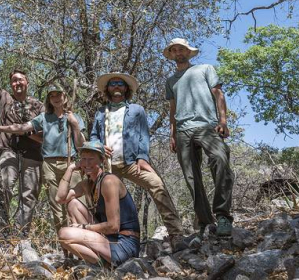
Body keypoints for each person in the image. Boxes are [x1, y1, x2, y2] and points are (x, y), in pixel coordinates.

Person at [90, 72, 184, 248]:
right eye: (112, 84)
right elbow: (94, 136)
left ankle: (176, 233)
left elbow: (143, 135)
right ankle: (104, 242)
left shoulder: (136, 110)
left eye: (120, 83)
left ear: (126, 88)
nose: (116, 86)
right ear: (107, 89)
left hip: (132, 163)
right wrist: (99, 147)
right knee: (100, 200)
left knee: (157, 185)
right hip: (108, 166)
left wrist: (142, 157)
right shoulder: (101, 112)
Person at [164, 38, 234, 238]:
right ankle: (205, 221)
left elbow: (218, 94)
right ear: (171, 54)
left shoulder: (205, 69)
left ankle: (223, 216)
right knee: (191, 177)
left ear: (188, 52)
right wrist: (172, 134)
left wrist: (223, 121)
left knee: (220, 159)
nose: (178, 52)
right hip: (183, 130)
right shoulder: (171, 81)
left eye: (182, 49)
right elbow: (173, 108)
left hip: (207, 125)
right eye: (174, 50)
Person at [0, 87, 85, 235]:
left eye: (59, 94)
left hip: (71, 163)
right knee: (57, 206)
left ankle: (83, 243)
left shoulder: (74, 117)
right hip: (49, 165)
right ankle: (66, 246)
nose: (56, 98)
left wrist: (74, 124)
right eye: (52, 95)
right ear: (49, 100)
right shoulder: (44, 117)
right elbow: (22, 128)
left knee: (76, 203)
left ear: (65, 97)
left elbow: (81, 145)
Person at [0, 35, 43, 234]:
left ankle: (21, 233)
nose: (17, 83)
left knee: (29, 195)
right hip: (8, 151)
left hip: (33, 155)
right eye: (13, 81)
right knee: (4, 185)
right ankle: (0, 229)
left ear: (27, 82)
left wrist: (24, 131)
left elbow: (43, 135)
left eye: (20, 80)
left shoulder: (38, 105)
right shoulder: (4, 98)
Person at [55, 141, 140, 268]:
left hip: (124, 243)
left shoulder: (109, 181)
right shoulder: (87, 184)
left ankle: (103, 265)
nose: (87, 163)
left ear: (102, 161)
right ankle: (101, 262)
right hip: (107, 238)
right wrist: (70, 169)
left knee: (64, 234)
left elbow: (113, 226)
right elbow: (60, 198)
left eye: (91, 159)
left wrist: (83, 227)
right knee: (72, 204)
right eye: (83, 159)